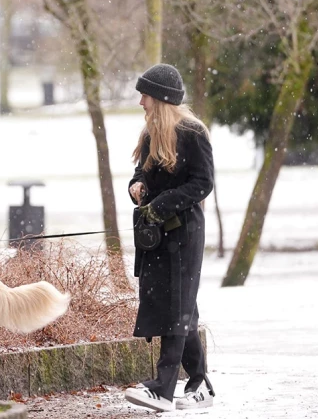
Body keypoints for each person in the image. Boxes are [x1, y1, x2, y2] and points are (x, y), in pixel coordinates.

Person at [124, 64, 216, 412]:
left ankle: (162, 387)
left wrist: (161, 204)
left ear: (161, 98)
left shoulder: (192, 133)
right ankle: (200, 385)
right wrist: (139, 186)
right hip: (157, 237)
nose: (141, 102)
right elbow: (142, 171)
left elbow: (203, 182)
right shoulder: (151, 134)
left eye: (144, 95)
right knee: (180, 305)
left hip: (185, 235)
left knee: (176, 306)